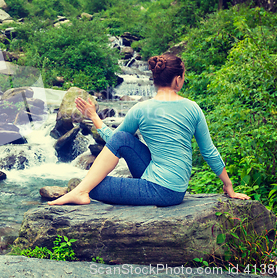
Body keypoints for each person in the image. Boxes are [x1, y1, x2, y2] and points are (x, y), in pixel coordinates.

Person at [48, 54, 250, 206]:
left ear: (154, 80)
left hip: (162, 190)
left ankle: (81, 192)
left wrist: (93, 116)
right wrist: (228, 186)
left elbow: (113, 139)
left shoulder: (140, 109)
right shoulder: (193, 108)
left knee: (91, 184)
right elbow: (209, 151)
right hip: (171, 185)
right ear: (178, 79)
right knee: (121, 142)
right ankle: (82, 192)